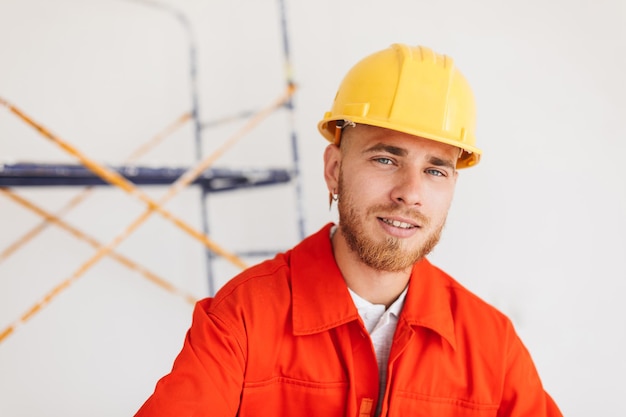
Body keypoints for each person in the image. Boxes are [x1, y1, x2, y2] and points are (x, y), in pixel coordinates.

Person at [135, 43, 562, 417]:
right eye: (385, 159)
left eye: (435, 169)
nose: (410, 193)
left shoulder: (491, 345)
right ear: (334, 169)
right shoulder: (241, 320)